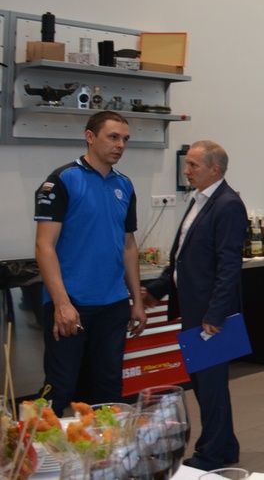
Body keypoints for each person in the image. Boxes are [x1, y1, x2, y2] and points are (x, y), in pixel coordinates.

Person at [142, 140, 248, 470]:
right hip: (194, 310)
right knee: (205, 386)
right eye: (187, 164)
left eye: (193, 165)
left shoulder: (228, 204)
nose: (186, 171)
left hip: (210, 314)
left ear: (214, 170)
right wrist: (156, 290)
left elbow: (229, 265)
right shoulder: (199, 200)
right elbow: (181, 258)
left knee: (210, 386)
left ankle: (211, 454)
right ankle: (225, 447)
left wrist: (216, 313)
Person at [33, 111, 147, 412]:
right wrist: (61, 303)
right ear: (90, 137)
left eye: (125, 139)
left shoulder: (125, 185)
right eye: (113, 137)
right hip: (71, 304)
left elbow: (128, 245)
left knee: (108, 389)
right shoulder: (62, 180)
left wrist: (136, 300)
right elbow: (44, 246)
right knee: (61, 387)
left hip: (112, 304)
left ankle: (101, 443)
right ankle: (48, 443)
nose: (120, 145)